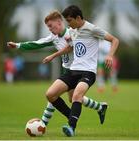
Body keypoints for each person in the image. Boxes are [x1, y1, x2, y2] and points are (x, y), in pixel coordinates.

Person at [7, 11, 107, 127]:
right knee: (70, 97)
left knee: (56, 96)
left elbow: (71, 47)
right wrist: (18, 45)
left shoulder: (73, 33)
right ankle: (99, 108)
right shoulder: (53, 37)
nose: (49, 29)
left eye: (50, 26)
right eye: (48, 27)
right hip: (67, 72)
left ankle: (43, 124)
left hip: (79, 71)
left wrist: (53, 55)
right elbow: (38, 43)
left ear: (59, 22)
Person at [43, 5, 119, 136]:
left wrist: (110, 55)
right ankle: (71, 116)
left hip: (88, 72)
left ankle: (71, 127)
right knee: (50, 94)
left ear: (78, 18)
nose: (69, 25)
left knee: (77, 95)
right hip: (72, 71)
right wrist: (53, 55)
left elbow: (115, 40)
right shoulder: (73, 30)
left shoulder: (92, 29)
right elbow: (69, 48)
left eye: (70, 21)